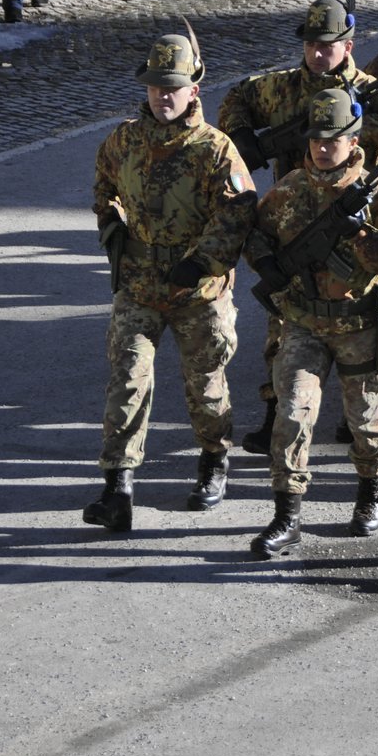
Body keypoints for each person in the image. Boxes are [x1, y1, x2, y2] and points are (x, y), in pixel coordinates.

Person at [220, 0, 378, 448]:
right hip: (294, 215)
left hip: (357, 217)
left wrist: (357, 127)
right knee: (286, 320)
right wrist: (243, 138)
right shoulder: (283, 88)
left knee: (373, 309)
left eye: (327, 44)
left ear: (348, 46)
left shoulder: (371, 93)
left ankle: (368, 403)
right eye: (311, 43)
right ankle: (277, 411)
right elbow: (237, 94)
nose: (317, 52)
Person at [84, 29, 257, 531]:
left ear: (194, 90)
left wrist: (203, 261)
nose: (163, 95)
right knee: (128, 380)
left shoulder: (215, 149)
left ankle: (212, 463)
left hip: (197, 291)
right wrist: (113, 233)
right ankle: (118, 487)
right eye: (156, 85)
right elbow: (103, 187)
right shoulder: (123, 140)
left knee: (204, 384)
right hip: (138, 286)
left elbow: (239, 213)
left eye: (173, 86)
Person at [245, 89, 378, 559]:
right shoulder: (293, 186)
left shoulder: (376, 192)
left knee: (364, 416)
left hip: (359, 323)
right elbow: (255, 234)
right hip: (303, 322)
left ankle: (370, 493)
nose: (323, 147)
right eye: (317, 138)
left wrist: (363, 236)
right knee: (292, 410)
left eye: (333, 138)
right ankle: (287, 515)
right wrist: (268, 265)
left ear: (354, 138)